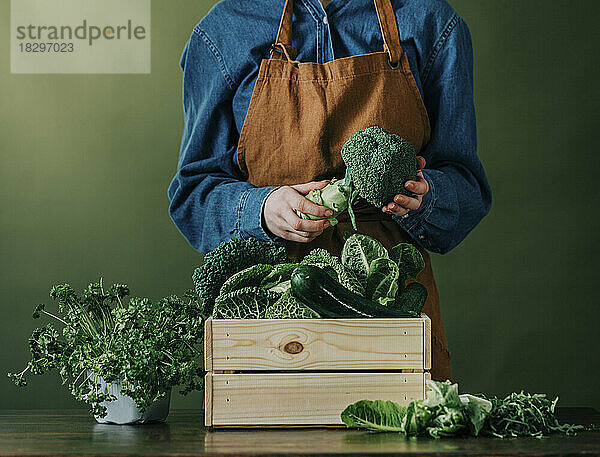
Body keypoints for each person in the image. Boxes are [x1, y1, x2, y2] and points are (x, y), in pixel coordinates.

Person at [168, 0, 492, 381]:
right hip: (267, 317)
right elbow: (193, 194)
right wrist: (262, 209)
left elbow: (467, 185)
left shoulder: (432, 22)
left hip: (391, 311)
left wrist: (425, 195)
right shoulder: (225, 29)